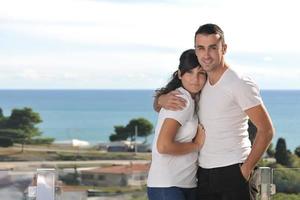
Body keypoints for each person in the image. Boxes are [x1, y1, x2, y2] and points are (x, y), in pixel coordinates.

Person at [154, 24, 275, 200]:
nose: (206, 55)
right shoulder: (202, 82)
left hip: (234, 170)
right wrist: (160, 100)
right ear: (195, 50)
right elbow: (168, 103)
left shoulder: (239, 83)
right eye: (201, 48)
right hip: (203, 175)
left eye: (213, 48)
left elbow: (267, 130)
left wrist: (245, 170)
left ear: (224, 48)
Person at [147, 49, 207, 200]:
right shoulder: (182, 100)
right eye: (189, 73)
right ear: (180, 74)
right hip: (168, 186)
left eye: (201, 73)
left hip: (184, 184)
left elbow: (158, 105)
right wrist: (197, 145)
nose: (195, 79)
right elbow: (163, 146)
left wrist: (159, 100)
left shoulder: (193, 98)